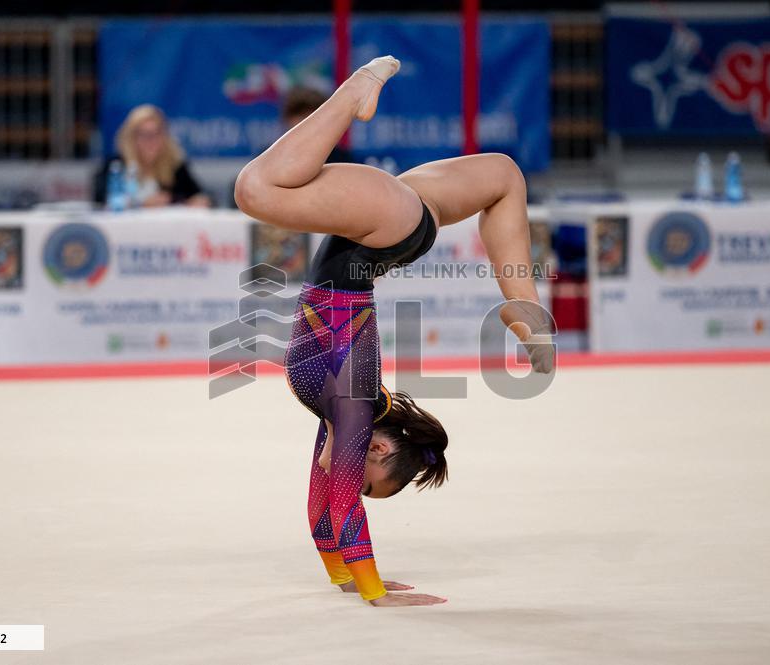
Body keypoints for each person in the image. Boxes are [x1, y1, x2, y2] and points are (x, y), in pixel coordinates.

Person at [234, 56, 554, 608]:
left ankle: (527, 309)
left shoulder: (336, 412)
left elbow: (320, 508)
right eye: (366, 477)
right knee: (255, 190)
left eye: (361, 485)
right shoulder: (353, 403)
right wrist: (375, 592)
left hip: (392, 229)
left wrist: (340, 574)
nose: (352, 481)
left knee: (504, 176)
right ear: (377, 449)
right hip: (386, 230)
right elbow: (341, 503)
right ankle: (354, 91)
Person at [93, 104, 211, 208]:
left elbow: (203, 195)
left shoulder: (175, 166)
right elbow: (99, 199)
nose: (151, 141)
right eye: (145, 135)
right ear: (132, 138)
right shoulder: (115, 165)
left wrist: (194, 201)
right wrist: (142, 204)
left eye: (156, 134)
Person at [281, 87, 358, 164]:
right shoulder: (275, 157)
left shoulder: (342, 159)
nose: (305, 122)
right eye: (300, 115)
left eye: (311, 116)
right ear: (287, 119)